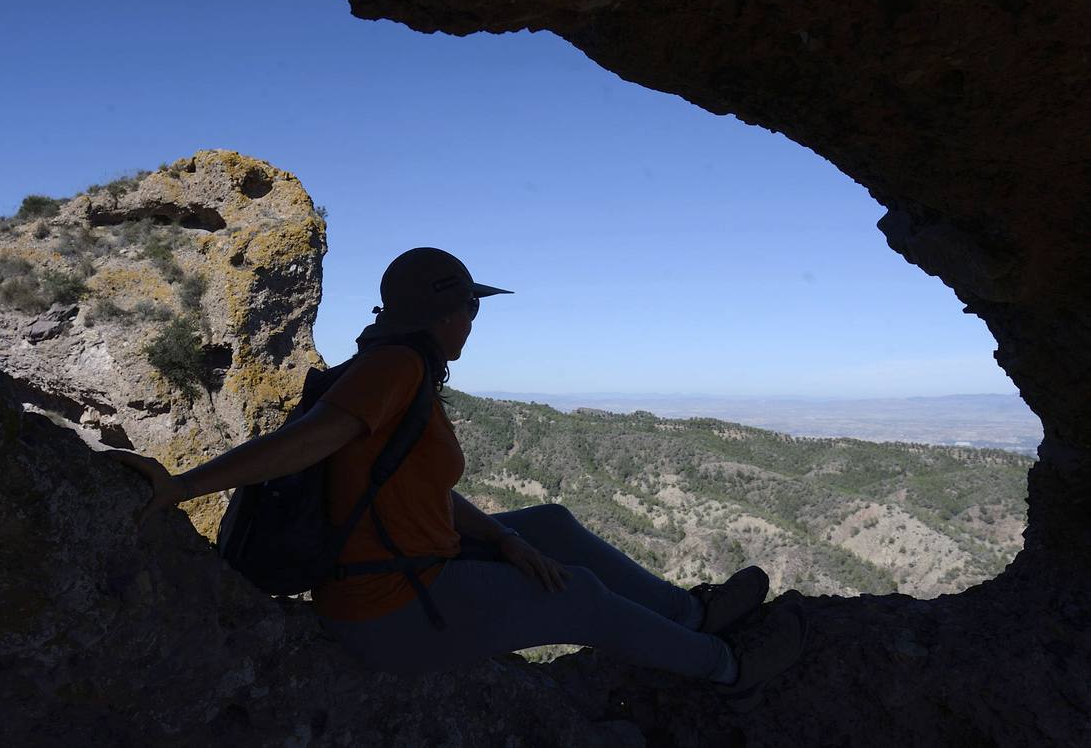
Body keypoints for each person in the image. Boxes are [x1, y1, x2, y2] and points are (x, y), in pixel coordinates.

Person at [111, 247, 807, 705]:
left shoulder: (392, 365)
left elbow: (412, 484)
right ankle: (726, 670)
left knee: (547, 526)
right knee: (580, 595)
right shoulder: (397, 369)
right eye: (469, 309)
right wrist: (181, 485)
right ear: (446, 314)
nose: (473, 323)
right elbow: (306, 442)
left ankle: (689, 613)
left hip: (398, 568)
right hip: (389, 609)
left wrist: (505, 541)